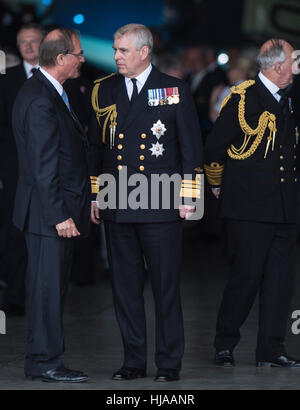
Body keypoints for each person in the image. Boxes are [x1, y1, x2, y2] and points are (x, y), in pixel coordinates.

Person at [89, 23, 203, 382]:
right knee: (124, 288)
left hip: (160, 201)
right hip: (117, 200)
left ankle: (169, 364)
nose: (115, 56)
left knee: (165, 287)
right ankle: (133, 361)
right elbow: (96, 147)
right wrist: (96, 192)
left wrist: (190, 197)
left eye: (122, 50)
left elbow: (190, 148)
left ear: (144, 52)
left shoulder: (172, 88)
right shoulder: (104, 90)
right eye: (114, 49)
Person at [204, 39, 300, 367]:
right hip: (250, 208)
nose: (297, 66)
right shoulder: (243, 97)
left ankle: (271, 350)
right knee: (246, 277)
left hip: (286, 207)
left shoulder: (291, 98)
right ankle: (225, 342)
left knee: (281, 283)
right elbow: (215, 148)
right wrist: (217, 185)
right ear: (276, 66)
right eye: (293, 61)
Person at [12, 27, 90, 382]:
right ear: (61, 59)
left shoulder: (47, 91)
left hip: (50, 212)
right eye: (77, 54)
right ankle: (44, 362)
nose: (82, 59)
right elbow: (44, 167)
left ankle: (42, 358)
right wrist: (60, 215)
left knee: (51, 289)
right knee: (46, 290)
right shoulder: (42, 98)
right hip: (49, 215)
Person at [0, 23, 44, 317]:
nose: (28, 47)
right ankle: (15, 295)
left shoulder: (58, 74)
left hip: (49, 168)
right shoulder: (6, 80)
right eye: (22, 42)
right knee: (15, 232)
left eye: (33, 41)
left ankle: (47, 299)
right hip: (14, 169)